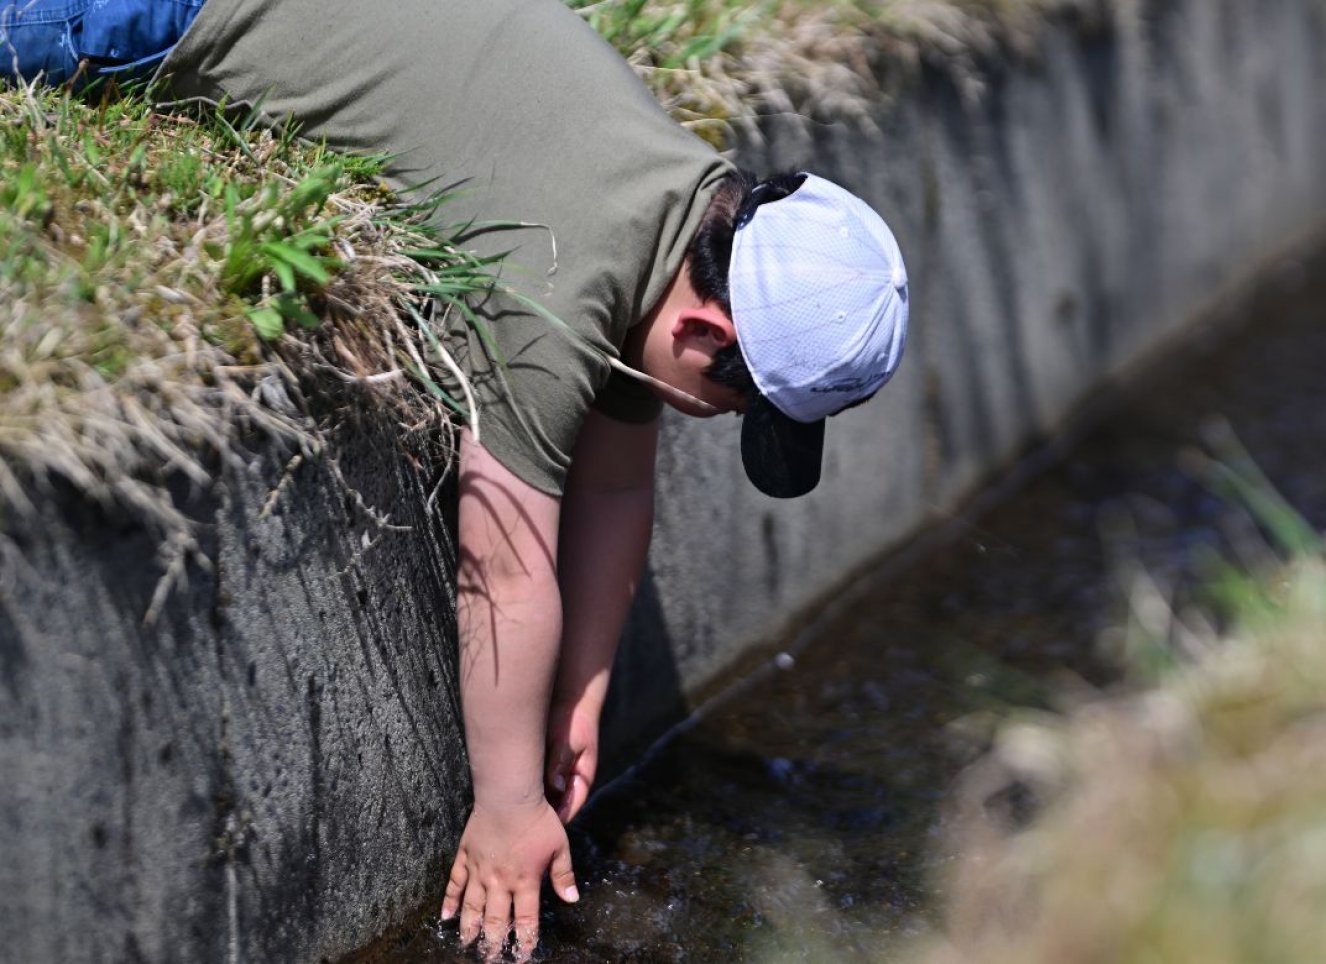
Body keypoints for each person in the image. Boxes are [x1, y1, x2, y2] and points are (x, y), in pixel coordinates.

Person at [3, 0, 909, 958]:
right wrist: (509, 807)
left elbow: (612, 492)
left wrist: (583, 692)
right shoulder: (557, 289)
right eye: (734, 406)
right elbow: (504, 567)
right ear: (702, 335)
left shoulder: (669, 200)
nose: (719, 420)